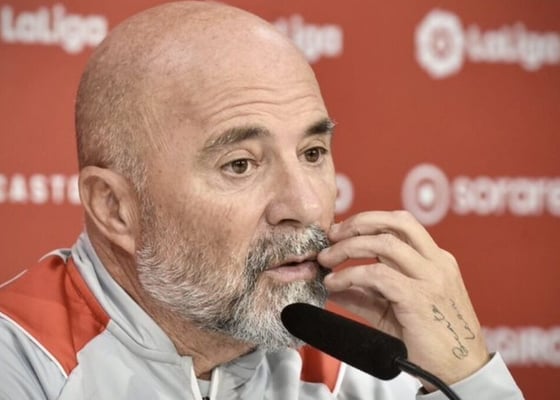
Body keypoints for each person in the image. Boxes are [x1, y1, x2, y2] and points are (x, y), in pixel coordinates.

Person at [0, 2, 523, 399]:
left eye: (313, 153)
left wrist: (466, 378)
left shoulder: (361, 370)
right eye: (240, 164)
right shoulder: (20, 362)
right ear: (115, 208)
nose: (305, 205)